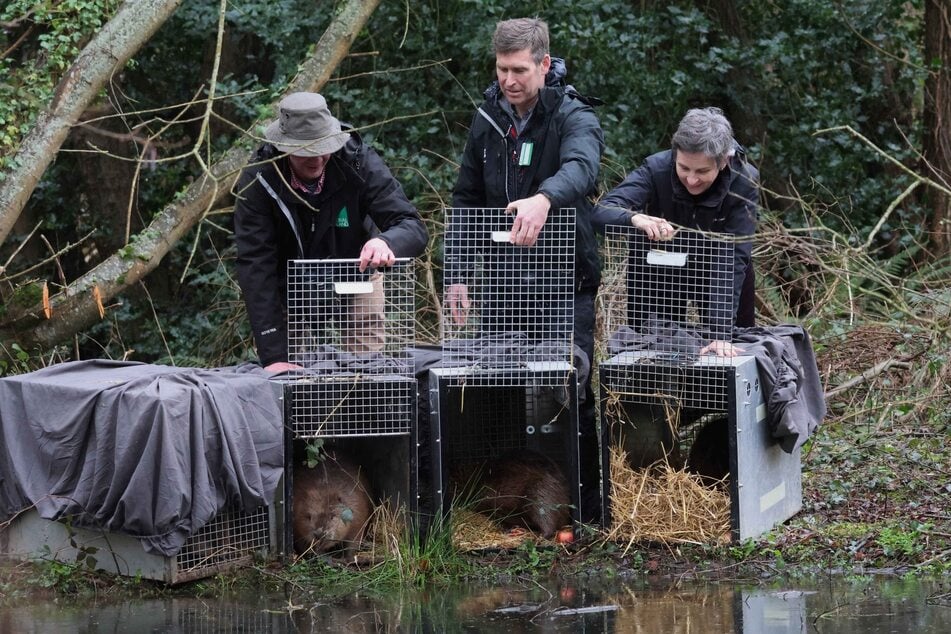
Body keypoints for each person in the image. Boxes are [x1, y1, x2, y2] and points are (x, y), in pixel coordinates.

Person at [449, 18, 605, 524]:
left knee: (568, 389)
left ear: (543, 64)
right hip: (500, 282)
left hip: (564, 282)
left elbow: (583, 169)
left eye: (519, 70)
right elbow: (467, 197)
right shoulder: (488, 117)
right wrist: (458, 274)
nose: (509, 81)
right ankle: (502, 511)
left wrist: (543, 198)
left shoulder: (571, 114)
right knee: (497, 392)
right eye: (501, 70)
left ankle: (585, 511)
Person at [233, 92, 428, 373]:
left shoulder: (358, 161)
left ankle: (365, 411)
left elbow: (412, 226)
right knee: (289, 378)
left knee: (367, 371)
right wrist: (274, 357)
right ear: (285, 148)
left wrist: (386, 242)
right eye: (306, 151)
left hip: (357, 272)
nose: (317, 159)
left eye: (323, 148)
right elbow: (255, 265)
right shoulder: (260, 179)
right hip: (289, 284)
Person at [593, 106, 759, 356]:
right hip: (659, 269)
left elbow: (733, 258)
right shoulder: (656, 168)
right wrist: (633, 218)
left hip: (719, 269)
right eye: (684, 168)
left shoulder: (743, 181)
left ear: (724, 161)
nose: (692, 180)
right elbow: (601, 212)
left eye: (702, 171)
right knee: (654, 352)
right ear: (675, 155)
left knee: (732, 348)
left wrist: (721, 335)